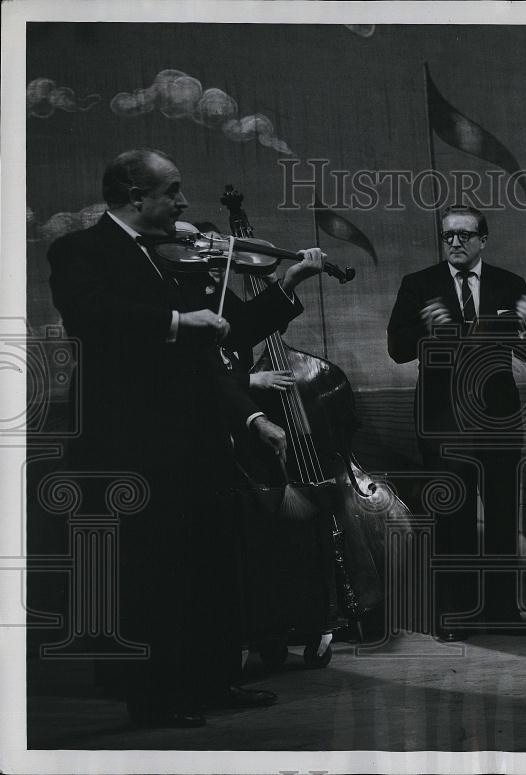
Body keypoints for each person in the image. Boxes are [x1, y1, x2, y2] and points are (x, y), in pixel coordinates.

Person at [47, 148, 325, 727]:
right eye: (172, 190)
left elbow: (224, 336)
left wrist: (284, 285)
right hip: (136, 445)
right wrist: (178, 323)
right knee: (155, 573)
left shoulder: (164, 260)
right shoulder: (80, 250)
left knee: (207, 565)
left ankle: (210, 681)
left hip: (192, 443)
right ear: (133, 193)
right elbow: (93, 318)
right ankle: (157, 697)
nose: (182, 202)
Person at [387, 205, 526, 642]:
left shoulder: (511, 285)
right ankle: (453, 614)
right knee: (450, 517)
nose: (454, 242)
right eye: (448, 235)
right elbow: (398, 350)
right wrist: (425, 329)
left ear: (483, 240)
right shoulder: (417, 286)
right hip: (442, 420)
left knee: (500, 516)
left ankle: (502, 611)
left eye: (463, 235)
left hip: (499, 419)